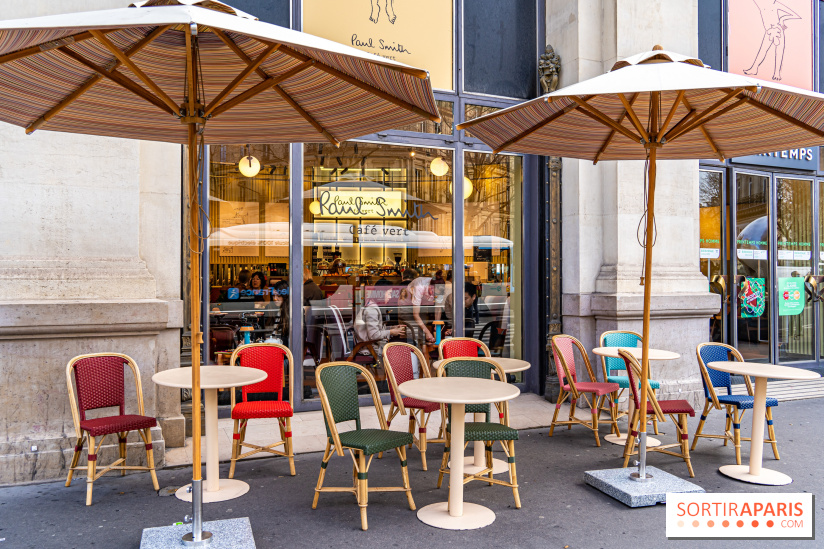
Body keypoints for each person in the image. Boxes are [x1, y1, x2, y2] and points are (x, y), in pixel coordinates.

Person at [354, 279, 405, 357]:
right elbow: (374, 335)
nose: (390, 297)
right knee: (406, 349)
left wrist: (392, 328)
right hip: (370, 347)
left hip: (372, 345)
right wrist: (391, 332)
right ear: (381, 293)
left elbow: (375, 329)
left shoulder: (371, 305)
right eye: (389, 293)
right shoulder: (372, 310)